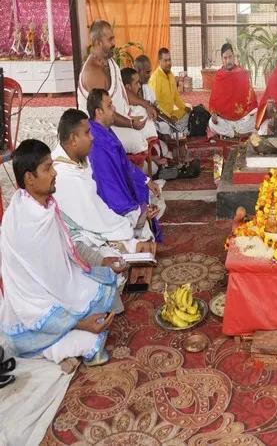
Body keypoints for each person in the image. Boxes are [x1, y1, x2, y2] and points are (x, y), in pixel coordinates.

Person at [0, 139, 124, 366]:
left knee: (108, 287)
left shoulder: (43, 206)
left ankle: (74, 334)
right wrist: (79, 322)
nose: (55, 173)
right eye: (47, 168)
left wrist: (101, 262)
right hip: (35, 314)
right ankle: (58, 345)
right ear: (29, 178)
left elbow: (66, 254)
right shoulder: (25, 224)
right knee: (91, 340)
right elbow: (38, 294)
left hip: (60, 288)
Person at [52, 108, 153, 259]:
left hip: (95, 222)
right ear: (73, 139)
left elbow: (97, 203)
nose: (92, 137)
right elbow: (95, 219)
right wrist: (132, 221)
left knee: (139, 227)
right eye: (87, 133)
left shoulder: (78, 159)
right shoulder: (66, 177)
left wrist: (134, 216)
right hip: (79, 235)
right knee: (137, 242)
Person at [86, 88, 164, 242]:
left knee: (155, 199)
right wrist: (138, 211)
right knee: (146, 237)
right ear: (98, 112)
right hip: (114, 211)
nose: (114, 109)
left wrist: (146, 181)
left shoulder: (105, 132)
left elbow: (124, 165)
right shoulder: (97, 144)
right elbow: (109, 187)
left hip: (122, 198)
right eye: (109, 106)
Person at [77, 20, 158, 157]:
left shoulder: (110, 62)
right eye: (110, 39)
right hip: (103, 128)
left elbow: (122, 91)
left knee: (148, 121)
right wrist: (131, 123)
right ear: (97, 43)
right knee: (137, 138)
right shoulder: (93, 72)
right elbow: (104, 113)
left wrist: (146, 104)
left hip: (118, 117)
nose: (114, 43)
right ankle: (135, 176)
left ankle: (150, 170)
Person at [207, 43, 258, 139]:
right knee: (211, 123)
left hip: (242, 119)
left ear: (234, 57)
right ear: (222, 59)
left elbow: (251, 100)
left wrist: (251, 112)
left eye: (230, 57)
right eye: (225, 58)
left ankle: (231, 134)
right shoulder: (219, 76)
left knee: (256, 116)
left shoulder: (242, 73)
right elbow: (214, 101)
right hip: (225, 120)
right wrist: (213, 114)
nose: (228, 60)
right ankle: (238, 134)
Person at [148, 47, 191, 139]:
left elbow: (175, 97)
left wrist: (184, 107)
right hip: (162, 118)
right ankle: (178, 130)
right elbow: (155, 106)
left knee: (189, 109)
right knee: (165, 127)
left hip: (172, 115)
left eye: (170, 60)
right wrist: (169, 118)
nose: (169, 63)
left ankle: (178, 130)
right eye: (165, 60)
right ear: (160, 61)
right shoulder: (155, 79)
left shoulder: (170, 74)